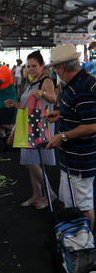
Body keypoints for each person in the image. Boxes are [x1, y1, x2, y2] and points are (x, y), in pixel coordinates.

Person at [46, 44, 96, 230]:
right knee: (70, 201)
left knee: (83, 205)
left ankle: (85, 246)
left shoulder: (83, 87)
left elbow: (91, 125)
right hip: (71, 157)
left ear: (61, 68)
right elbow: (81, 114)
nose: (56, 72)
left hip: (81, 159)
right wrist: (61, 115)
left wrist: (63, 136)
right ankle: (73, 239)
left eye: (55, 68)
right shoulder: (74, 84)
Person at [5, 51, 57, 209]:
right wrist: (14, 104)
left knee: (31, 162)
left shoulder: (46, 81)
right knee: (31, 162)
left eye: (34, 66)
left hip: (37, 127)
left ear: (42, 65)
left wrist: (43, 93)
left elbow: (53, 98)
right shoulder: (32, 81)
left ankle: (50, 194)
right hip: (28, 124)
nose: (31, 69)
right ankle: (36, 194)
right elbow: (27, 105)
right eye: (29, 66)